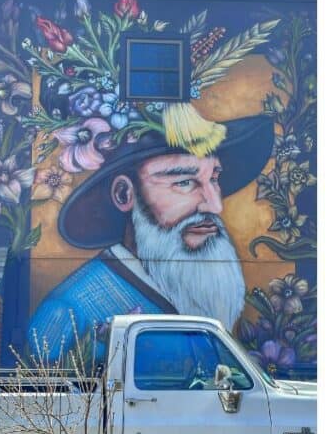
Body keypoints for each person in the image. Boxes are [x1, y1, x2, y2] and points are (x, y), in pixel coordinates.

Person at [27, 103, 274, 364]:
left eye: (214, 178)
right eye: (183, 182)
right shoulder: (66, 313)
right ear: (125, 194)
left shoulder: (186, 289)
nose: (215, 205)